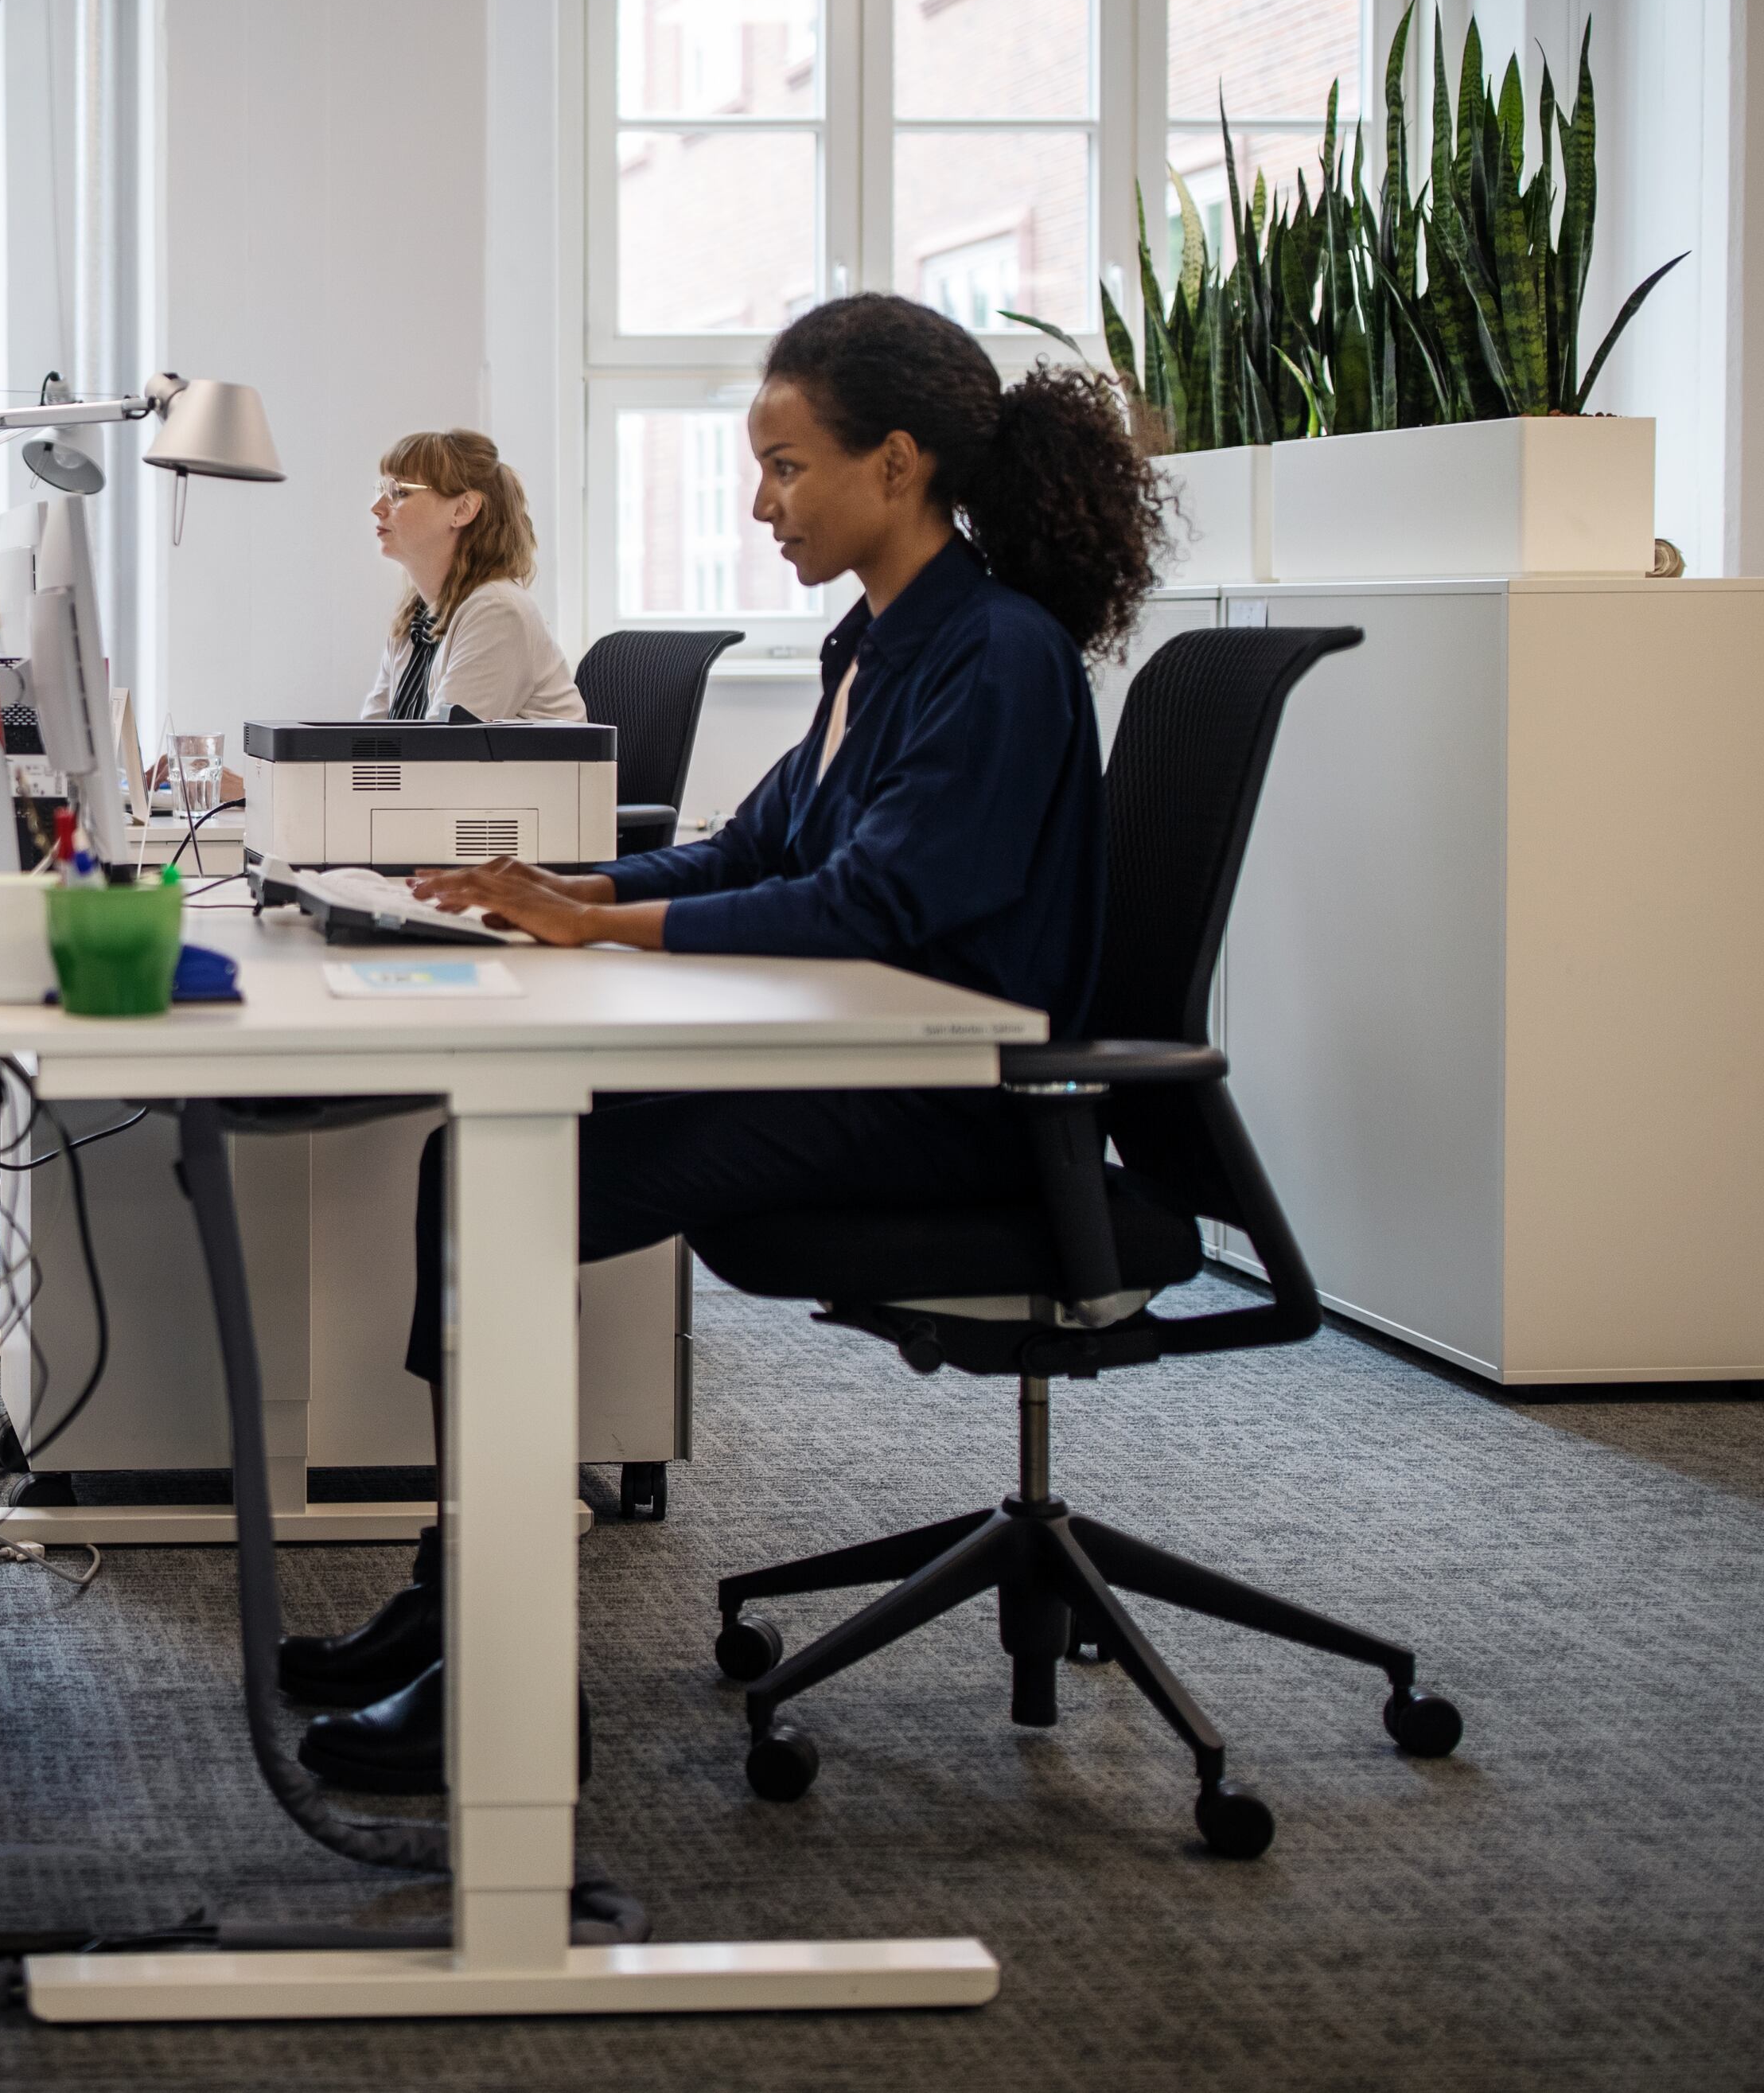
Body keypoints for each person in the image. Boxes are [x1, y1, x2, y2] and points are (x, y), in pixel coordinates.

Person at [277, 294, 1164, 1794]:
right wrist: (567, 890)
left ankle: (494, 1667)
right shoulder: (877, 643)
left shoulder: (994, 656)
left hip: (946, 1104)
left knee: (501, 1184)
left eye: (786, 465)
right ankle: (461, 1598)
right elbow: (752, 845)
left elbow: (873, 901)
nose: (762, 501)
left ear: (895, 464)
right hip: (848, 1064)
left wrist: (591, 929)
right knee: (477, 1166)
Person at [360, 429, 587, 723]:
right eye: (382, 490)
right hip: (439, 772)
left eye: (400, 492)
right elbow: (367, 737)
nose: (377, 508)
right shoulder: (415, 615)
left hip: (499, 772)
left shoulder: (497, 611)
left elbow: (440, 752)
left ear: (464, 509)